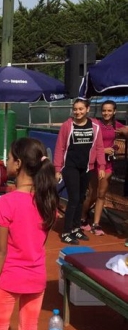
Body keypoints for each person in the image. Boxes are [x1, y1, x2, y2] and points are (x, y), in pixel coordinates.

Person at [0, 138, 59, 330]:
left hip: (8, 278)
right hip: (36, 278)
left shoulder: (5, 203)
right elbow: (38, 241)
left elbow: (0, 250)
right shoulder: (47, 202)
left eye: (8, 158)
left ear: (18, 164)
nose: (6, 162)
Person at [54, 98, 106, 244]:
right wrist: (57, 168)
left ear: (87, 109)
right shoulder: (67, 126)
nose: (77, 112)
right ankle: (66, 231)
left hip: (87, 167)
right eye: (75, 109)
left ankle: (76, 228)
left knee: (81, 198)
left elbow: (99, 147)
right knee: (74, 199)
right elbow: (60, 147)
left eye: (81, 109)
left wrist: (101, 166)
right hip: (70, 167)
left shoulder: (95, 125)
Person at [81, 100, 128, 235]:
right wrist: (103, 150)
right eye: (104, 110)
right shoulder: (95, 124)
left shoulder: (117, 125)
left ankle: (96, 224)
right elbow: (87, 145)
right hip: (94, 163)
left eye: (109, 111)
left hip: (108, 164)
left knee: (101, 195)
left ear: (114, 112)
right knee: (92, 194)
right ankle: (82, 218)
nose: (106, 113)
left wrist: (124, 132)